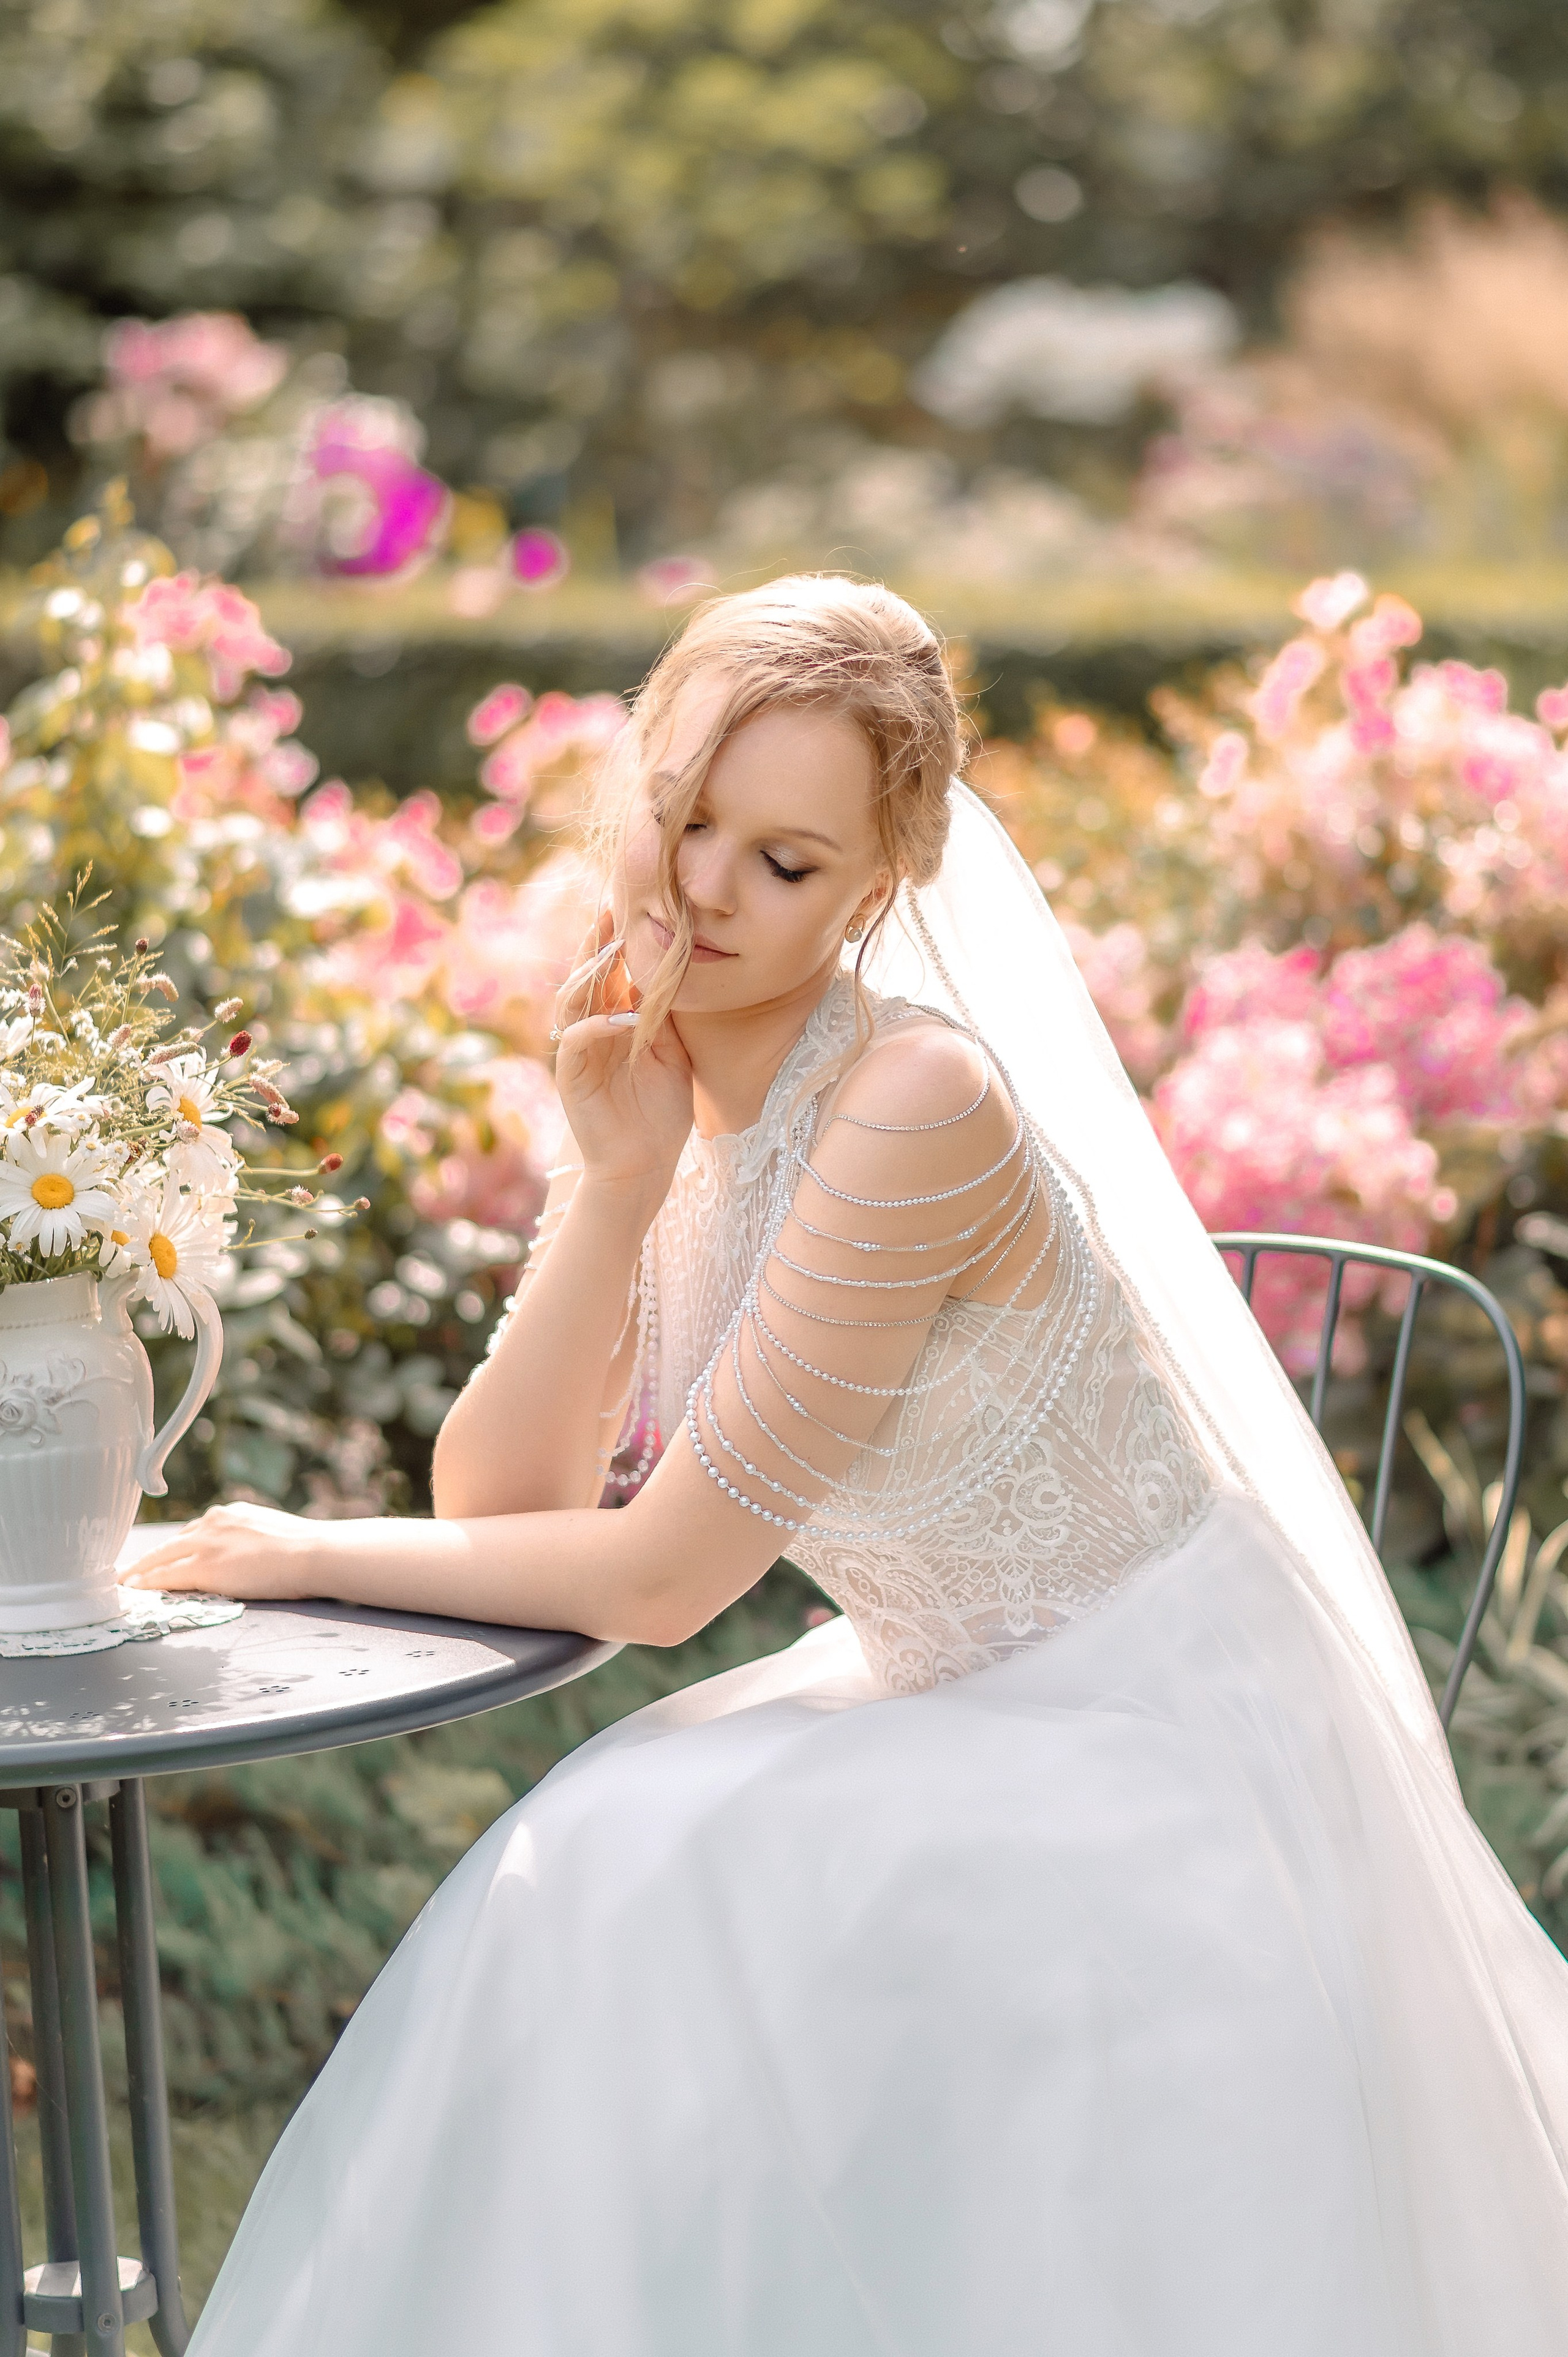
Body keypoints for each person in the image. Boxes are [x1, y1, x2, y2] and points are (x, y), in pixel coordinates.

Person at [135, 577, 1568, 2355]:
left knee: (641, 1864)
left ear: (882, 884)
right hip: (954, 1692)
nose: (707, 890)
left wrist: (293, 1550)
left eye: (788, 863)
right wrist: (615, 1181)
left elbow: (659, 1584)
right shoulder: (674, 1080)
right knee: (599, 1866)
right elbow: (502, 1511)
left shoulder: (914, 1103)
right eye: (684, 820)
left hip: (1147, 1730)